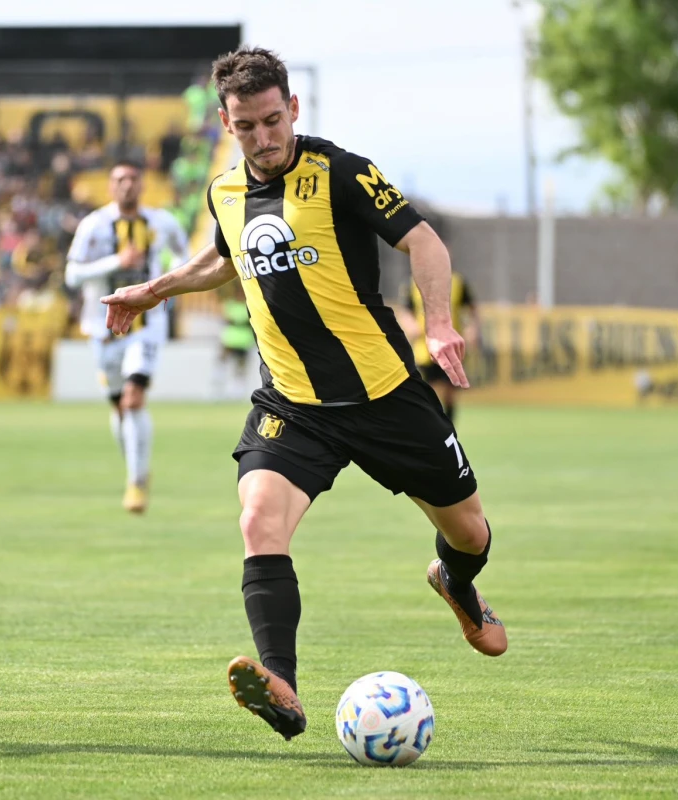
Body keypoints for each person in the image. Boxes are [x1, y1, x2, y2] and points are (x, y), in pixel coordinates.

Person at [102, 46, 506, 742]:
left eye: (271, 121)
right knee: (258, 519)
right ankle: (280, 683)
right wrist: (154, 289)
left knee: (469, 532)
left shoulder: (342, 172)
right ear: (227, 125)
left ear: (292, 109)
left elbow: (426, 242)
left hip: (384, 394)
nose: (262, 139)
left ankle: (456, 582)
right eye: (245, 126)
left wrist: (438, 325)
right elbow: (223, 259)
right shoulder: (225, 192)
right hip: (292, 405)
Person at [64, 160, 189, 514]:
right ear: (110, 186)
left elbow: (185, 256)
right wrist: (115, 263)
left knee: (134, 398)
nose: (127, 186)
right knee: (120, 407)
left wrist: (167, 284)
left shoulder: (162, 222)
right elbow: (72, 275)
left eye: (133, 179)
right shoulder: (94, 225)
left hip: (147, 327)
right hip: (102, 329)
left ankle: (135, 483)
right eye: (120, 180)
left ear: (143, 185)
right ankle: (137, 468)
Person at [398, 270, 479, 423]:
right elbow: (405, 311)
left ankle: (449, 428)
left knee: (450, 392)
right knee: (427, 391)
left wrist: (472, 328)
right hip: (423, 348)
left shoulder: (457, 282)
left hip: (449, 347)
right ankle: (429, 426)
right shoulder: (412, 283)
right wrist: (410, 325)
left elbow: (470, 309)